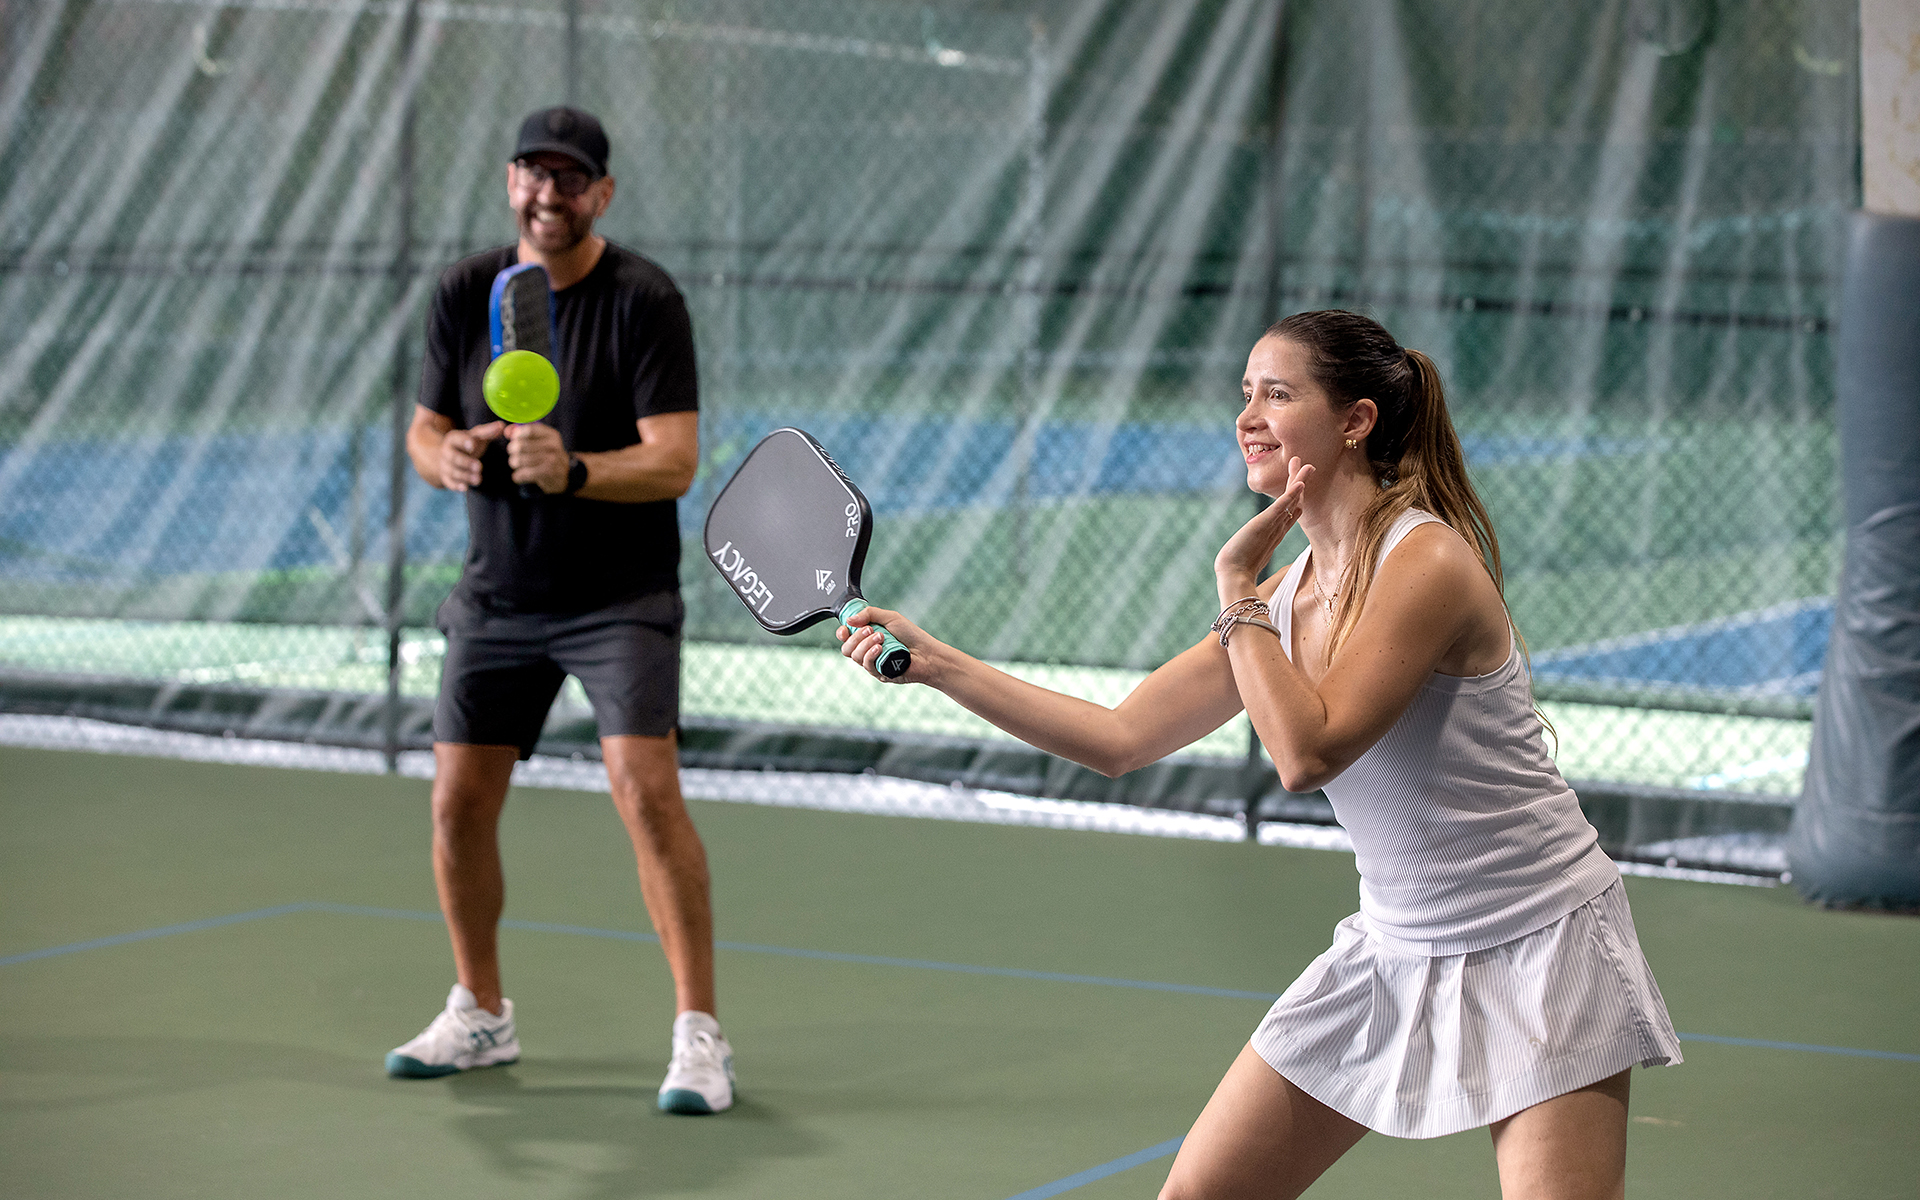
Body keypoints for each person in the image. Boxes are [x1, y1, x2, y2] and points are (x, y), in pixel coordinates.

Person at [838, 310, 1680, 1196]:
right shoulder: (1287, 595)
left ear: (1355, 421)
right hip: (1393, 944)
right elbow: (1119, 738)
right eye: (1245, 393)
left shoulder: (1424, 561)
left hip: (1537, 936)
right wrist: (939, 664)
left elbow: (1308, 754)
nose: (1246, 417)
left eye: (1276, 394)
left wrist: (1238, 590)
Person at [387, 106, 735, 1116]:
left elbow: (674, 460)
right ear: (510, 184)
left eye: (570, 179)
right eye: (534, 175)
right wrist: (447, 458)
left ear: (602, 195)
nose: (550, 194)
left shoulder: (643, 300)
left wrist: (575, 468)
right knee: (456, 804)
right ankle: (481, 1014)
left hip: (618, 600)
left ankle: (700, 1037)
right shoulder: (466, 292)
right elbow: (423, 430)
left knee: (645, 791)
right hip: (497, 593)